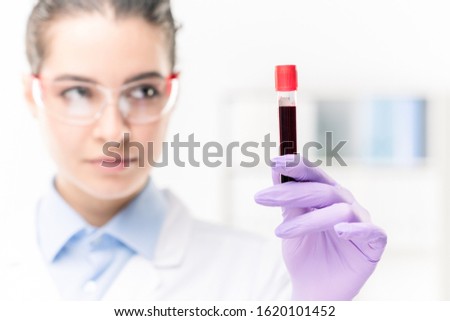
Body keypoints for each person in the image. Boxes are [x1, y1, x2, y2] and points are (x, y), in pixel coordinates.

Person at [0, 0, 387, 300]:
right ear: (30, 96)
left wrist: (315, 311)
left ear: (172, 91)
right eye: (78, 92)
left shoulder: (260, 276)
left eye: (143, 91)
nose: (114, 131)